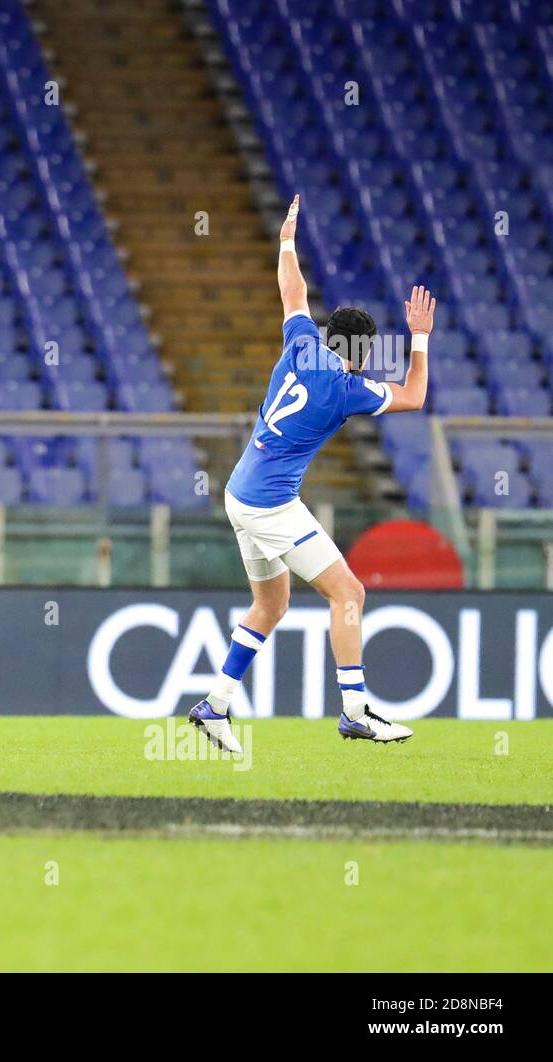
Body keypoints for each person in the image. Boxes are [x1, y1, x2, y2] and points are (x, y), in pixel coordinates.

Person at [188, 195, 433, 753]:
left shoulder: (300, 345)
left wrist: (286, 241)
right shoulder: (349, 389)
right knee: (347, 590)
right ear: (362, 352)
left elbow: (292, 290)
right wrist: (419, 335)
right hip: (270, 503)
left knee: (271, 605)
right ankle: (355, 709)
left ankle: (215, 706)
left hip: (239, 491)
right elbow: (415, 395)